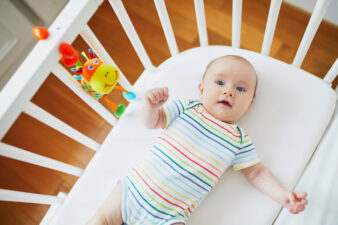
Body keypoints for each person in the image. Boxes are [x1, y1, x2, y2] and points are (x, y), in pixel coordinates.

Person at [87, 55, 308, 225]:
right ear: (201, 90)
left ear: (249, 104)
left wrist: (282, 196)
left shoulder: (239, 140)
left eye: (240, 88)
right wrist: (151, 107)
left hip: (171, 216)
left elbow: (257, 172)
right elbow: (152, 122)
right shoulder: (188, 108)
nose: (229, 91)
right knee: (101, 220)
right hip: (133, 192)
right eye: (220, 82)